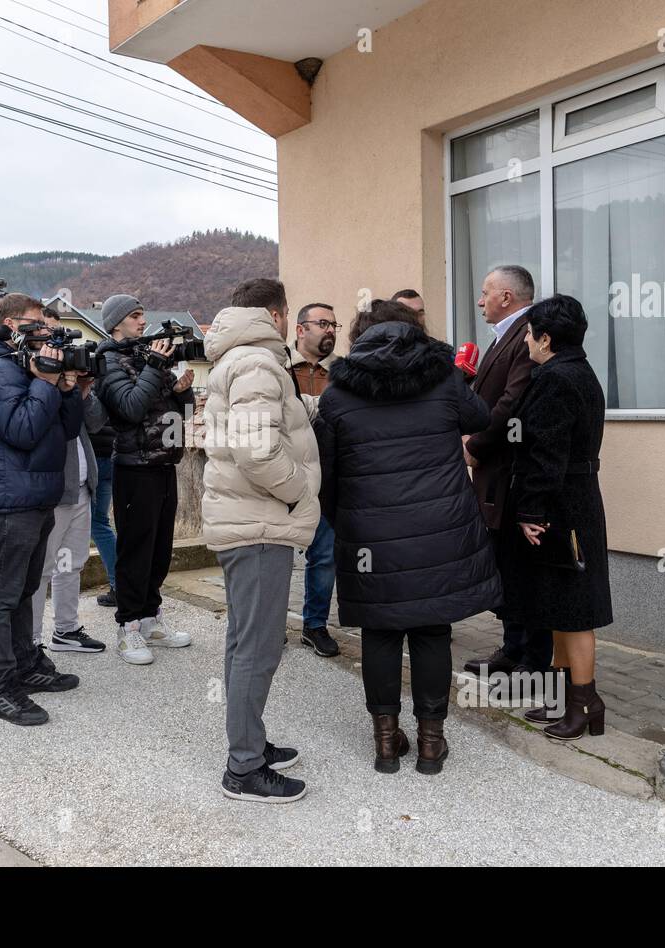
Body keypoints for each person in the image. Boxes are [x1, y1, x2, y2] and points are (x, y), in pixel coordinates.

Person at [316, 300, 501, 775]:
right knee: (432, 629)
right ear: (415, 332)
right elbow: (480, 418)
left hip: (369, 537)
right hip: (439, 529)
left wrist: (345, 520)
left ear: (360, 336)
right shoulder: (443, 378)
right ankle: (431, 743)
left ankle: (385, 741)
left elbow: (326, 474)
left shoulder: (337, 393)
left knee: (379, 630)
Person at [203, 278, 320, 803]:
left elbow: (265, 428)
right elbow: (256, 450)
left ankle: (249, 742)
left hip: (248, 521)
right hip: (260, 524)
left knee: (244, 641)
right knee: (258, 646)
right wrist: (299, 493)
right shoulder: (255, 362)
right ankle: (244, 768)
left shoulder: (239, 358)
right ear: (275, 314)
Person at [498, 294, 613, 740]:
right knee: (559, 605)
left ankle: (585, 702)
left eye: (529, 334)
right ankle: (567, 699)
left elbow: (546, 453)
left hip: (561, 507)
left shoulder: (556, 379)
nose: (526, 341)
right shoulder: (577, 371)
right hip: (571, 501)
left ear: (545, 339)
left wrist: (530, 509)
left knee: (574, 609)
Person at [0, 293, 82, 726]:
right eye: (40, 324)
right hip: (7, 499)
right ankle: (1, 689)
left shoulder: (26, 365)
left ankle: (25, 665)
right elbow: (22, 430)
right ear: (14, 325)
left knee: (25, 588)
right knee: (2, 596)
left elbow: (68, 429)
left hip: (35, 494)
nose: (49, 332)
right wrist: (46, 383)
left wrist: (66, 390)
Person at [462, 266, 554, 686]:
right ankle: (512, 647)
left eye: (486, 293)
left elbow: (511, 404)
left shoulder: (527, 336)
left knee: (523, 570)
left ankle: (533, 659)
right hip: (496, 477)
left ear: (506, 297)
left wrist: (476, 445)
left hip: (512, 475)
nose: (480, 301)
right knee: (506, 568)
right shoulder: (507, 335)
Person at [96, 294, 195, 664]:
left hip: (164, 463)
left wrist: (183, 392)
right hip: (133, 467)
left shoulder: (146, 356)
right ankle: (128, 626)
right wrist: (155, 365)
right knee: (135, 551)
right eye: (135, 315)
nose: (142, 321)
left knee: (159, 550)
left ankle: (151, 619)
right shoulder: (108, 360)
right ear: (116, 323)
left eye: (142, 314)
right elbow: (131, 408)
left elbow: (183, 412)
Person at [30, 308, 109, 654]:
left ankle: (66, 629)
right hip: (53, 490)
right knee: (42, 568)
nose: (56, 343)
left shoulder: (70, 382)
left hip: (81, 485)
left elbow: (95, 423)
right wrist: (54, 384)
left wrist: (83, 390)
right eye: (49, 333)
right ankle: (31, 640)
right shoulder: (34, 375)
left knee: (71, 564)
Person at [288, 302, 340, 658]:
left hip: (328, 478)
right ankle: (271, 623)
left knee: (323, 556)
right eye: (322, 323)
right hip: (284, 477)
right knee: (277, 556)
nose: (330, 329)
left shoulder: (342, 372)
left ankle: (315, 625)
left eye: (334, 324)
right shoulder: (279, 368)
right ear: (301, 329)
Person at [87, 389, 119, 608]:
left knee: (94, 523)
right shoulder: (113, 376)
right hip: (112, 454)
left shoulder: (86, 378)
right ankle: (120, 585)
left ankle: (119, 585)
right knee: (100, 523)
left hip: (93, 457)